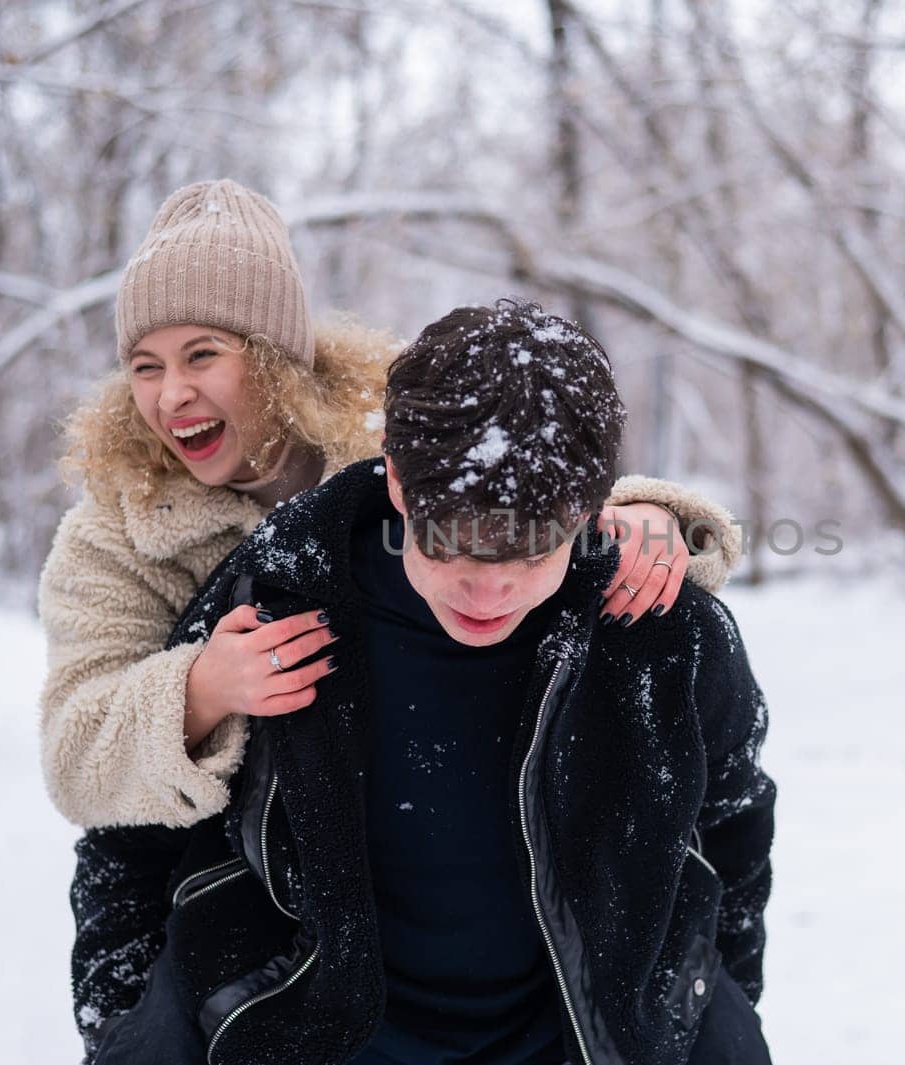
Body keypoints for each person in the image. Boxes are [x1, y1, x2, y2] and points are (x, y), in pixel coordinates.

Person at [73, 300, 774, 1065]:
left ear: (587, 509)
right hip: (306, 1037)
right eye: (452, 544)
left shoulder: (658, 630)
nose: (488, 590)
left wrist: (704, 1005)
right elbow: (132, 834)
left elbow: (733, 821)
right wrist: (124, 1026)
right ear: (400, 480)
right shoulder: (278, 595)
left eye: (532, 550)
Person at [38, 179, 742, 830]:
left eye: (201, 355)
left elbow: (532, 477)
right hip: (263, 877)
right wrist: (201, 691)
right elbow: (75, 762)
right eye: (145, 366)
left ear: (273, 354)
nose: (169, 395)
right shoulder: (115, 533)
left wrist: (649, 516)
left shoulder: (395, 433)